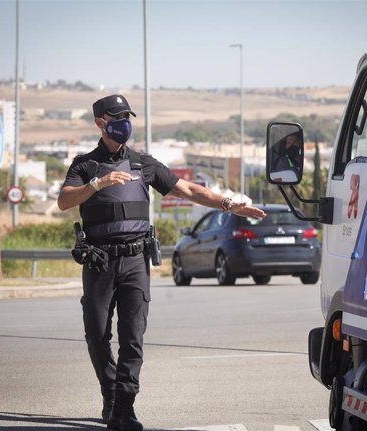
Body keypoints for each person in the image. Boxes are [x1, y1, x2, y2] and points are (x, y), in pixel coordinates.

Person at [57, 94, 265, 431]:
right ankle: (109, 392)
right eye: (117, 116)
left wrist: (230, 204)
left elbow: (189, 190)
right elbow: (64, 201)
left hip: (136, 260)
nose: (124, 122)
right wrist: (97, 184)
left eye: (128, 116)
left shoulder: (143, 164)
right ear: (100, 122)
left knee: (132, 338)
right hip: (99, 262)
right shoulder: (85, 165)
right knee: (96, 335)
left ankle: (123, 409)